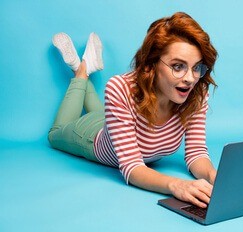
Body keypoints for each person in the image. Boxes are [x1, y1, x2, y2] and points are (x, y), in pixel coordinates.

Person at [48, 12, 218, 209]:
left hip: (118, 121)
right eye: (178, 66)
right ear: (150, 65)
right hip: (89, 136)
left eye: (196, 68)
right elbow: (132, 167)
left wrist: (213, 176)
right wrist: (177, 185)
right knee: (54, 134)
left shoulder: (196, 93)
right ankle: (82, 71)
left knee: (105, 113)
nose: (190, 78)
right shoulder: (119, 88)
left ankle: (82, 68)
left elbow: (196, 152)